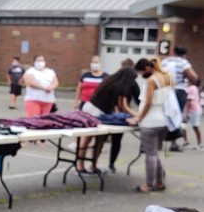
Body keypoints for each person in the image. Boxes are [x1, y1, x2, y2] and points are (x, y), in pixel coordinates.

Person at [78, 66, 139, 174]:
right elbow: (123, 107)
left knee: (89, 139)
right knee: (95, 140)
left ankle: (82, 165)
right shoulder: (120, 87)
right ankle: (90, 165)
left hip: (89, 107)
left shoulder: (109, 81)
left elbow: (114, 106)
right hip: (97, 111)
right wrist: (138, 115)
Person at [129, 58, 174, 193]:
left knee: (150, 155)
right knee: (156, 154)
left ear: (147, 68)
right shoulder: (167, 77)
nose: (141, 74)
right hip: (162, 120)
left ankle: (148, 184)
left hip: (150, 121)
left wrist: (138, 118)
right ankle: (159, 182)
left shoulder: (151, 81)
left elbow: (148, 103)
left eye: (142, 71)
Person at [161, 46, 197, 152]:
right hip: (178, 91)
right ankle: (173, 143)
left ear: (174, 52)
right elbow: (193, 77)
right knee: (176, 116)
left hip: (165, 90)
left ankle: (158, 140)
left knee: (164, 114)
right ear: (184, 54)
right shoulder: (183, 62)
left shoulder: (165, 61)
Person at [184, 81, 204, 150]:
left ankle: (200, 144)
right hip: (195, 109)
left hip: (194, 110)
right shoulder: (195, 88)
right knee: (183, 125)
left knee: (195, 127)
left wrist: (186, 112)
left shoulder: (191, 88)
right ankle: (185, 141)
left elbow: (189, 100)